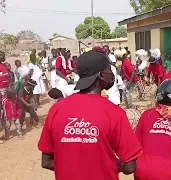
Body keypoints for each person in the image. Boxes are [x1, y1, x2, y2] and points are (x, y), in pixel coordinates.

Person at [38, 50, 143, 180]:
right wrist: (110, 164)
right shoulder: (114, 112)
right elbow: (130, 167)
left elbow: (46, 161)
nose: (111, 74)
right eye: (109, 70)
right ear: (101, 75)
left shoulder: (57, 109)